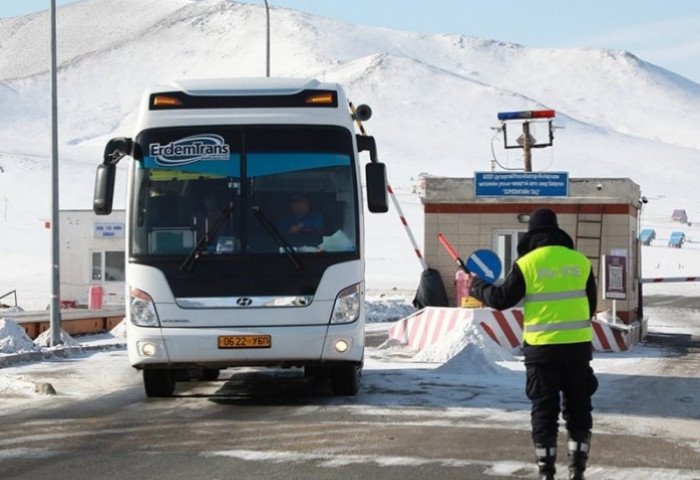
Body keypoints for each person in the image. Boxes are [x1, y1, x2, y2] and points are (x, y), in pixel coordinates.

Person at [466, 208, 597, 480]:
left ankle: (546, 472)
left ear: (532, 236)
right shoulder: (581, 262)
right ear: (557, 233)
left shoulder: (527, 264)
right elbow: (591, 307)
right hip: (577, 349)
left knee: (544, 410)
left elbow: (502, 299)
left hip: (542, 351)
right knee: (578, 408)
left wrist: (476, 286)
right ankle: (578, 470)